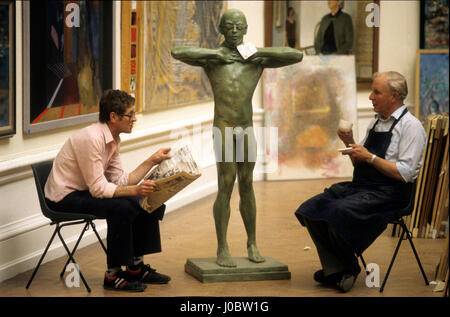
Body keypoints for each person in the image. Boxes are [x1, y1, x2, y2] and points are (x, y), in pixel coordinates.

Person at [171, 9, 303, 267]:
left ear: (245, 29)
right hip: (223, 126)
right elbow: (178, 52)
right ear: (221, 29)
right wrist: (216, 53)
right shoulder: (214, 60)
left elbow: (295, 55)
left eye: (239, 27)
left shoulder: (254, 60)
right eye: (229, 27)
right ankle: (222, 246)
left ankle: (252, 243)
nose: (234, 31)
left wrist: (256, 52)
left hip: (245, 127)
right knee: (226, 182)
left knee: (247, 183)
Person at [295, 71, 427, 292]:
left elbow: (404, 173)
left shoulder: (411, 127)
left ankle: (342, 269)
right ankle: (339, 268)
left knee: (339, 210)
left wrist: (369, 157)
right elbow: (363, 164)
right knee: (313, 208)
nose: (370, 97)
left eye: (376, 92)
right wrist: (352, 144)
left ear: (394, 96)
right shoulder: (376, 122)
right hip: (363, 187)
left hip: (392, 193)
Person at [45, 89, 172, 292]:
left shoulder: (113, 138)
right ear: (113, 117)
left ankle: (135, 269)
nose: (135, 119)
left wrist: (151, 161)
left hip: (83, 191)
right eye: (130, 115)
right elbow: (98, 189)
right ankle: (112, 275)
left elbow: (120, 180)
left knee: (145, 200)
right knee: (122, 207)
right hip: (63, 197)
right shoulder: (92, 138)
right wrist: (135, 190)